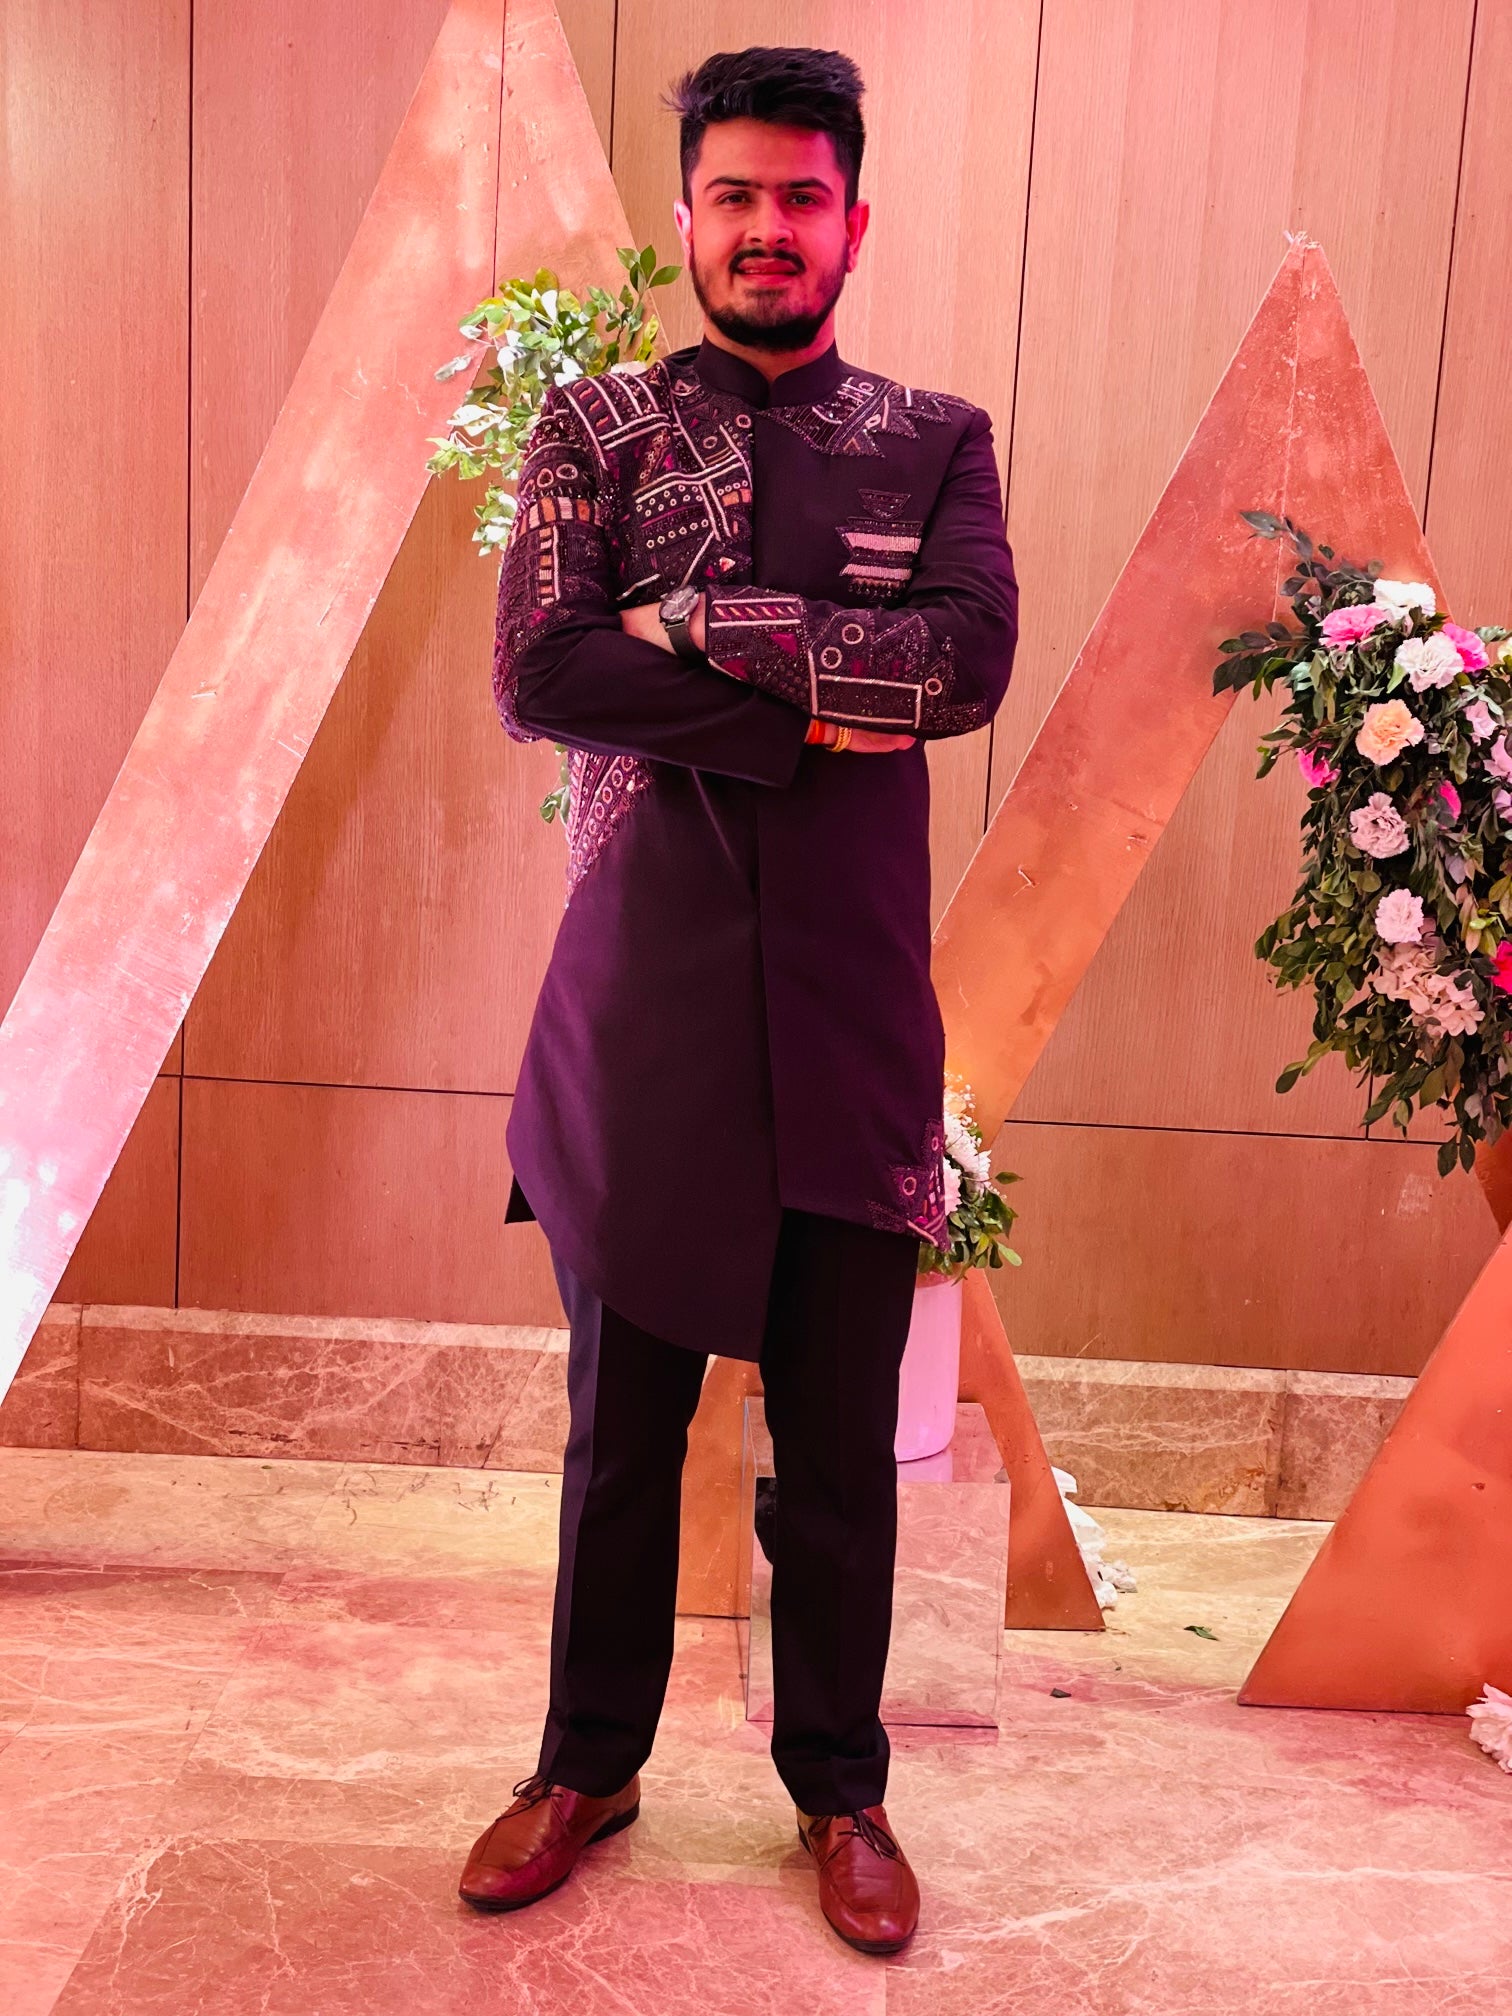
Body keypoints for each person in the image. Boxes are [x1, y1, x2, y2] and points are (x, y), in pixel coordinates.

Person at [458, 45, 1018, 1956]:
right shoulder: (599, 431)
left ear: (853, 221)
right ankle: (585, 1764)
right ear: (690, 217)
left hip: (852, 1015)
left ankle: (843, 1790)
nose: (766, 229)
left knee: (842, 1447)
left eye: (800, 198)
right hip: (646, 1017)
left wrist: (699, 625)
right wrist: (814, 712)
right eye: (733, 197)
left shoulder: (935, 441)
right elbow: (544, 672)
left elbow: (961, 665)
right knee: (622, 1436)